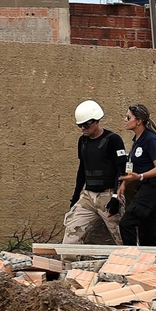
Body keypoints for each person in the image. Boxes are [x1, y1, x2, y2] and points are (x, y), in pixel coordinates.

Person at [63, 100, 127, 245]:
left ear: (96, 121)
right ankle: (68, 265)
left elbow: (121, 171)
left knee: (122, 239)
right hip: (87, 196)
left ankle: (136, 263)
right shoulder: (83, 141)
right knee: (71, 233)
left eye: (86, 124)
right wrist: (74, 198)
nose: (83, 128)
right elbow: (82, 170)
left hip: (107, 195)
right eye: (79, 125)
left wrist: (116, 198)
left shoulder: (113, 140)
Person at [118, 104, 156, 246]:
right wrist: (124, 184)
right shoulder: (137, 141)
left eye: (128, 117)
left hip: (152, 188)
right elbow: (131, 166)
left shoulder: (150, 139)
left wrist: (140, 177)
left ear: (138, 121)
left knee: (126, 223)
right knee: (147, 232)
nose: (125, 120)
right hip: (143, 187)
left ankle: (132, 257)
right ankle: (154, 262)